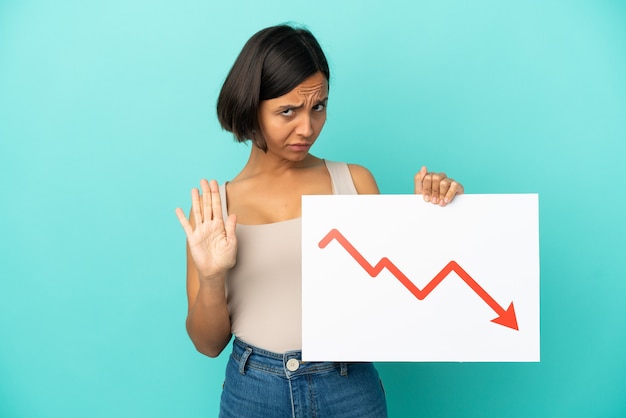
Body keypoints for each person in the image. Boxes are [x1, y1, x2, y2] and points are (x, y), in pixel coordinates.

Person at [175, 24, 463, 418]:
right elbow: (208, 345)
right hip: (253, 391)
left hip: (348, 388)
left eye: (319, 106)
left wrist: (429, 218)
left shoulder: (355, 183)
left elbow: (402, 298)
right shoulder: (215, 210)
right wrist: (210, 277)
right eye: (287, 111)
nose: (307, 128)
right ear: (250, 106)